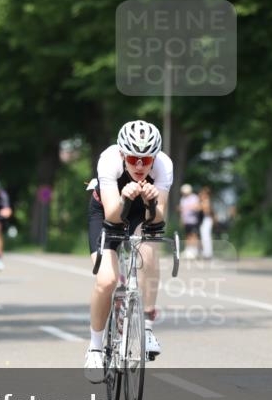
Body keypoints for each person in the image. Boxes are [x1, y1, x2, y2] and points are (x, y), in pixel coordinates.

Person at [84, 120, 172, 383]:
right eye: (133, 159)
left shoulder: (164, 166)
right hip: (107, 209)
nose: (140, 166)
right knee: (107, 280)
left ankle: (147, 327)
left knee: (149, 253)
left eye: (146, 160)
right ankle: (95, 348)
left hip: (140, 211)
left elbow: (158, 219)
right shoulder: (109, 160)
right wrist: (125, 196)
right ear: (123, 154)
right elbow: (113, 215)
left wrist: (152, 201)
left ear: (155, 157)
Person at [178, 184, 201, 259]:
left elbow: (198, 207)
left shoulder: (194, 197)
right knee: (187, 235)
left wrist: (189, 207)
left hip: (193, 220)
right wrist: (181, 219)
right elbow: (182, 210)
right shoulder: (183, 199)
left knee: (194, 235)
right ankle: (188, 250)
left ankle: (195, 250)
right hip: (186, 220)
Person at [199, 186, 215, 259]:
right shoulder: (206, 201)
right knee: (205, 235)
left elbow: (206, 211)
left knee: (206, 236)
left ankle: (207, 253)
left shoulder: (206, 201)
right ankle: (207, 252)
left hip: (207, 219)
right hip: (206, 219)